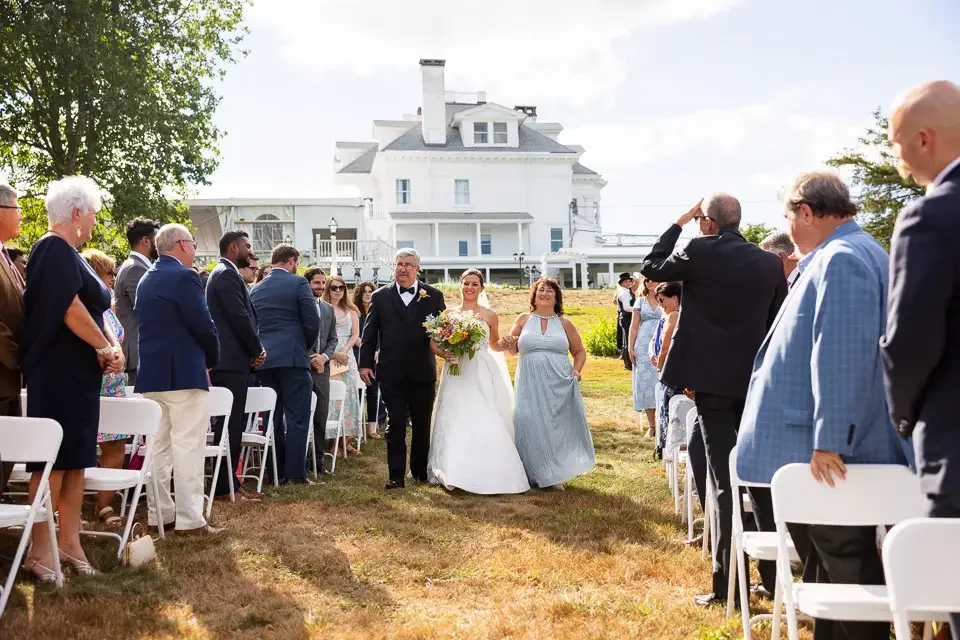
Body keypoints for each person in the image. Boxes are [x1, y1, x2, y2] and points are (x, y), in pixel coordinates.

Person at [738, 171, 913, 640]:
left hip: (829, 457)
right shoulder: (850, 253)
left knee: (845, 572)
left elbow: (841, 352)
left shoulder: (842, 258)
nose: (788, 227)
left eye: (787, 217)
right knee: (828, 574)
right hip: (824, 452)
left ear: (807, 212)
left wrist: (830, 438)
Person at [640, 194, 786, 607]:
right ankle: (773, 580)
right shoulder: (769, 263)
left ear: (707, 222)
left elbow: (652, 268)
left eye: (701, 218)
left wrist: (679, 220)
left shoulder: (699, 249)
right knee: (758, 478)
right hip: (754, 382)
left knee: (722, 484)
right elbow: (776, 320)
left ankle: (729, 589)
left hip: (710, 384)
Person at [880, 80, 960, 640]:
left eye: (897, 143)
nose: (897, 157)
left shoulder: (933, 217)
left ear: (924, 140)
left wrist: (904, 416)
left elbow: (909, 341)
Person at [21, 176, 121, 578]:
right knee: (52, 465)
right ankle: (39, 550)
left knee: (77, 461)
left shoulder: (72, 253)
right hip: (57, 372)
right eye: (93, 213)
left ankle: (70, 544)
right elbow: (69, 308)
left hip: (80, 378)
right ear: (77, 213)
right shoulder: (52, 248)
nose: (95, 221)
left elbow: (97, 309)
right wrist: (103, 347)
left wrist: (110, 344)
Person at [136, 223, 221, 535]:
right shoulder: (185, 276)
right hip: (184, 372)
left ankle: (161, 515)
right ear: (182, 245)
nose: (195, 248)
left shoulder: (147, 277)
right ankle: (189, 519)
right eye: (194, 243)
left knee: (158, 447)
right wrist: (212, 359)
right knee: (188, 446)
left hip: (153, 374)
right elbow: (204, 324)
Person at [428, 269, 529, 494]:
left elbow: (493, 344)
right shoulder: (449, 314)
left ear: (481, 288)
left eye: (475, 284)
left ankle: (489, 469)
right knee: (453, 414)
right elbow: (434, 343)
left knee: (482, 412)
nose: (470, 287)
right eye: (466, 283)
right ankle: (452, 468)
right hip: (455, 370)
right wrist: (445, 354)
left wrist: (505, 344)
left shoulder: (490, 315)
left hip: (480, 369)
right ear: (460, 286)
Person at [358, 248, 447, 490]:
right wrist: (365, 363)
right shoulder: (380, 296)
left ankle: (418, 472)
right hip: (390, 372)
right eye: (399, 264)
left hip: (422, 371)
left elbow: (443, 332)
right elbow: (369, 334)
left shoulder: (434, 296)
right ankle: (395, 476)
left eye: (408, 264)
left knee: (421, 424)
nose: (403, 268)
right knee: (395, 423)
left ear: (417, 269)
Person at [507, 277, 595, 489]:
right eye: (540, 290)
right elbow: (511, 350)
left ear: (556, 297)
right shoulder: (523, 319)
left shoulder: (565, 323)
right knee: (526, 419)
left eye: (549, 291)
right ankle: (531, 471)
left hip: (558, 379)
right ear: (534, 296)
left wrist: (576, 369)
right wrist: (508, 342)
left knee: (556, 424)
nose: (545, 294)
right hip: (529, 380)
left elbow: (579, 351)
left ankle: (555, 473)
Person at [251, 244, 320, 485]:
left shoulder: (255, 289)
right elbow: (312, 322)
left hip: (265, 360)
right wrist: (304, 346)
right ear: (291, 260)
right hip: (293, 357)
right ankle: (295, 475)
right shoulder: (298, 283)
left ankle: (275, 472)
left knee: (272, 418)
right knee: (297, 417)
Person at [206, 230, 264, 503]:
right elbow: (239, 317)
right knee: (229, 426)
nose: (249, 250)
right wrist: (257, 349)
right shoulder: (226, 274)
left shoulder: (224, 272)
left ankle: (231, 483)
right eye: (246, 246)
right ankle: (224, 487)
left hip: (232, 361)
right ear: (232, 247)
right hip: (229, 362)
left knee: (234, 424)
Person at [80, 249, 130, 527]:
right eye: (109, 272)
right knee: (81, 446)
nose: (113, 278)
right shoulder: (83, 305)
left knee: (115, 446)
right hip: (90, 383)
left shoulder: (107, 308)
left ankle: (104, 505)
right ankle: (70, 507)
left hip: (114, 386)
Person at [114, 217, 160, 386]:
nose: (160, 244)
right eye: (157, 239)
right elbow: (149, 311)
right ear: (146, 241)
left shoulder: (135, 266)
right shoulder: (136, 268)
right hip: (140, 354)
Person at [321, 274, 363, 456]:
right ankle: (330, 442)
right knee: (332, 400)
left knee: (349, 398)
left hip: (347, 357)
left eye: (341, 288)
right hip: (329, 355)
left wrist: (344, 351)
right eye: (334, 287)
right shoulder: (322, 309)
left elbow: (355, 335)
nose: (338, 291)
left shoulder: (351, 311)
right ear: (327, 289)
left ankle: (345, 440)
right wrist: (334, 353)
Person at [0, 183, 24, 494]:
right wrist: (20, 358)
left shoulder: (6, 256)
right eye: (17, 209)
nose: (21, 215)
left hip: (9, 378)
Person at [304, 267, 337, 471]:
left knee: (321, 416)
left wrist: (323, 358)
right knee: (303, 416)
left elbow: (333, 338)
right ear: (307, 283)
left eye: (323, 283)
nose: (321, 286)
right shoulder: (300, 307)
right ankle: (301, 461)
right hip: (303, 367)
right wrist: (309, 359)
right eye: (316, 282)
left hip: (322, 370)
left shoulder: (327, 308)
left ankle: (318, 462)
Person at [654, 282, 683, 459]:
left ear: (674, 298)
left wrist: (659, 367)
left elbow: (665, 346)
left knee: (668, 409)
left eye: (662, 300)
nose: (660, 304)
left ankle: (666, 448)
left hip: (672, 371)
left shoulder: (673, 316)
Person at [628, 277, 660, 437]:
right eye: (648, 280)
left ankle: (664, 422)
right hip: (643, 345)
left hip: (662, 343)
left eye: (655, 280)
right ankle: (652, 425)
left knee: (660, 381)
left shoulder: (666, 298)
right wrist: (630, 347)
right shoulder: (640, 302)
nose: (651, 282)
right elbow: (634, 326)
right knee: (646, 384)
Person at [353, 280, 384, 438]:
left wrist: (378, 350)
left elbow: (382, 333)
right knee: (357, 392)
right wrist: (368, 349)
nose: (367, 294)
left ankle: (372, 428)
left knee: (373, 391)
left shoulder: (378, 311)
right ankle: (356, 428)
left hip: (376, 356)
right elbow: (355, 336)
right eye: (364, 291)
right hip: (357, 354)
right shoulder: (354, 312)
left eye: (370, 291)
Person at [614, 272, 636, 370]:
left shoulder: (626, 291)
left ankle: (627, 364)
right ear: (621, 283)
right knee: (628, 340)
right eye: (626, 282)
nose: (628, 283)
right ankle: (629, 364)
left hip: (625, 317)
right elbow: (627, 307)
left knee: (626, 341)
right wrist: (637, 309)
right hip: (627, 317)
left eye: (629, 281)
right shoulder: (624, 293)